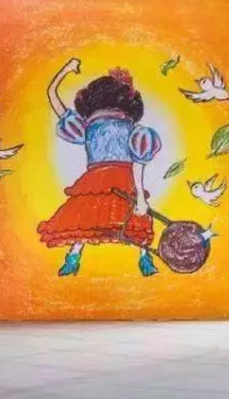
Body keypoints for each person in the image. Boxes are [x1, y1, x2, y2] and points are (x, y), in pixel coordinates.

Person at [38, 58, 162, 277]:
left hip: (117, 176)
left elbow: (139, 161)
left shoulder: (120, 127)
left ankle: (144, 256)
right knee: (87, 215)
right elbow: (52, 95)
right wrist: (66, 69)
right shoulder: (88, 126)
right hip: (99, 178)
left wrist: (141, 197)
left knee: (124, 216)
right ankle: (75, 255)